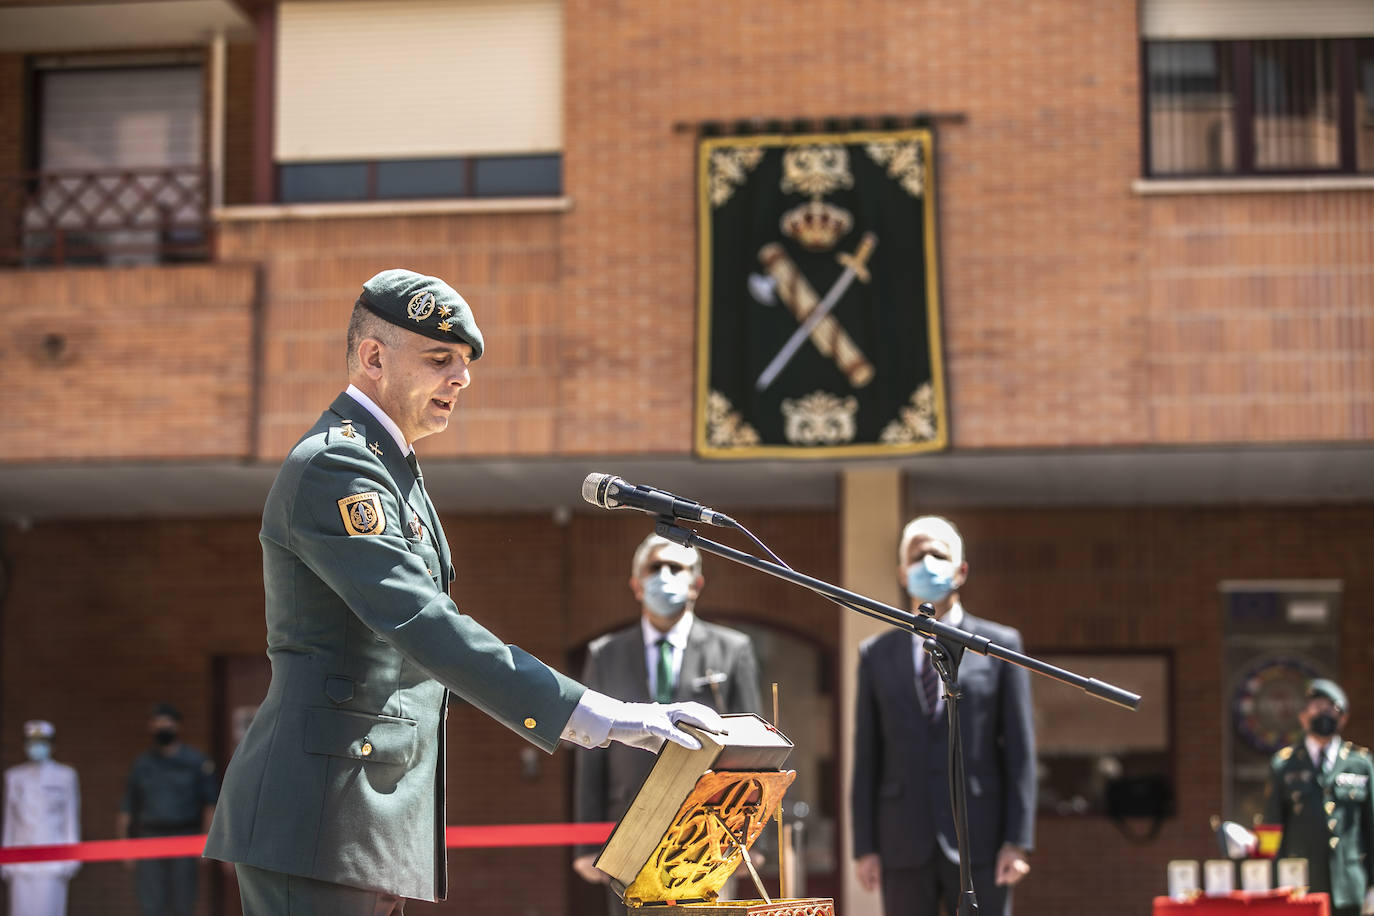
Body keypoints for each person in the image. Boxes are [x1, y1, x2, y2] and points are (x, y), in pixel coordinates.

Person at [203, 268, 723, 914]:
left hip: (359, 816)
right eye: (440, 358)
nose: (462, 378)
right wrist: (599, 715)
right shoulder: (338, 464)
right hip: (321, 810)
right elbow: (422, 622)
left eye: (466, 362)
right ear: (373, 358)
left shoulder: (391, 466)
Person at [851, 515, 1036, 916]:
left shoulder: (1000, 646)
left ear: (961, 570)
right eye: (918, 555)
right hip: (902, 839)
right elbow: (867, 755)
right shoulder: (875, 654)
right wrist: (865, 846)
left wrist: (1017, 840)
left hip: (982, 841)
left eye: (939, 554)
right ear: (902, 572)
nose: (928, 562)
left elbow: (1020, 750)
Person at [572, 533, 763, 903]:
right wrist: (586, 840)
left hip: (712, 828)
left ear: (697, 584)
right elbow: (589, 745)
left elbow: (754, 749)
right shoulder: (605, 653)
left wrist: (751, 840)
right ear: (636, 584)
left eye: (675, 567)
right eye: (654, 568)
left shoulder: (733, 649)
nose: (664, 575)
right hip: (628, 828)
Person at [1262, 679, 1374, 916]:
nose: (1323, 715)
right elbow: (1272, 828)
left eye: (1329, 709)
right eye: (1316, 708)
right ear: (1303, 716)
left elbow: (1371, 828)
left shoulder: (1361, 764)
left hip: (1350, 885)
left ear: (1343, 717)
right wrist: (1272, 881)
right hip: (1300, 886)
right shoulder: (1284, 764)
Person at [117, 703, 218, 916]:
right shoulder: (142, 764)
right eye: (157, 723)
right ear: (151, 727)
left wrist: (206, 841)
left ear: (177, 726)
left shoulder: (196, 761)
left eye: (167, 723)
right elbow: (127, 807)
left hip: (185, 837)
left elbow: (210, 804)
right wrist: (124, 844)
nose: (162, 728)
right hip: (149, 838)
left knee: (184, 901)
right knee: (151, 903)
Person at [2, 720, 80, 916]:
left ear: (52, 745)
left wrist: (72, 857)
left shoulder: (65, 775)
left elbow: (71, 817)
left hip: (52, 860)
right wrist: (4, 857)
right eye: (32, 742)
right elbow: (8, 820)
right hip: (20, 859)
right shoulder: (14, 777)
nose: (36, 747)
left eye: (42, 742)